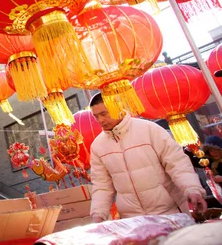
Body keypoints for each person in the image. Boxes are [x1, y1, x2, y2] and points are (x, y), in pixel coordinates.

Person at [89, 93, 207, 223]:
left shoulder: (150, 130)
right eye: (96, 116)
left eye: (104, 114)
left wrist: (192, 190)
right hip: (133, 220)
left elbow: (178, 165)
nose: (100, 120)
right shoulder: (98, 146)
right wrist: (98, 214)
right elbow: (102, 185)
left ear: (117, 108)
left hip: (170, 212)